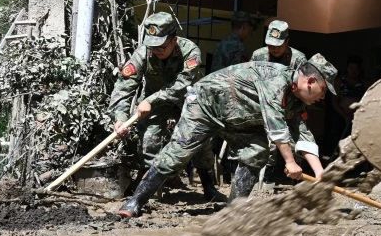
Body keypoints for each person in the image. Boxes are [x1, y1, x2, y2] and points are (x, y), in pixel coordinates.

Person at [117, 55, 338, 218]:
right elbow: (276, 128)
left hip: (238, 120)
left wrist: (320, 173)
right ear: (310, 82)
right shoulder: (276, 82)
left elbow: (302, 133)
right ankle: (135, 201)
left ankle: (231, 213)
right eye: (324, 91)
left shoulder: (296, 99)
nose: (323, 97)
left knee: (257, 151)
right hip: (205, 106)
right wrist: (290, 162)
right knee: (178, 154)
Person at [108, 12, 223, 202]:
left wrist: (150, 100)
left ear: (173, 40)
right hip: (155, 103)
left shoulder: (190, 52)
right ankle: (148, 188)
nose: (156, 51)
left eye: (161, 46)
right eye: (152, 46)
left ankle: (208, 187)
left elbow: (181, 85)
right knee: (149, 139)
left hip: (187, 100)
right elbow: (124, 86)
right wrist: (120, 118)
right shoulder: (143, 52)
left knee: (200, 139)